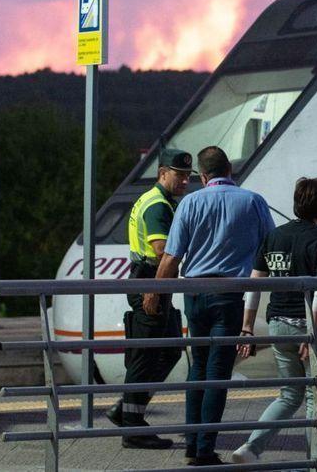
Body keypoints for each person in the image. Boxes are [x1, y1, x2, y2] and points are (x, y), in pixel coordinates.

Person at [145, 146, 275, 466]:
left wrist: (154, 294)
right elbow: (272, 248)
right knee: (218, 371)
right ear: (229, 169)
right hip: (229, 296)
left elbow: (171, 257)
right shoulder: (253, 201)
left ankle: (192, 441)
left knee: (198, 367)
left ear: (202, 176)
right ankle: (204, 449)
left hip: (195, 294)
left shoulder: (189, 202)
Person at [232, 178, 317, 465]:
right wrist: (313, 333)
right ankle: (313, 464)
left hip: (278, 322)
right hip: (312, 327)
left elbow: (254, 286)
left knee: (289, 395)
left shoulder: (274, 237)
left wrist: (247, 327)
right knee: (315, 399)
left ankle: (250, 449)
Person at [106, 148, 192, 449]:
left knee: (168, 351)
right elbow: (161, 249)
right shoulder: (158, 205)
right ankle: (132, 427)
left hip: (155, 282)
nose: (183, 181)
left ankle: (126, 411)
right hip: (150, 282)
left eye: (186, 176)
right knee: (146, 357)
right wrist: (154, 291)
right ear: (162, 173)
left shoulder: (162, 200)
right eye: (178, 175)